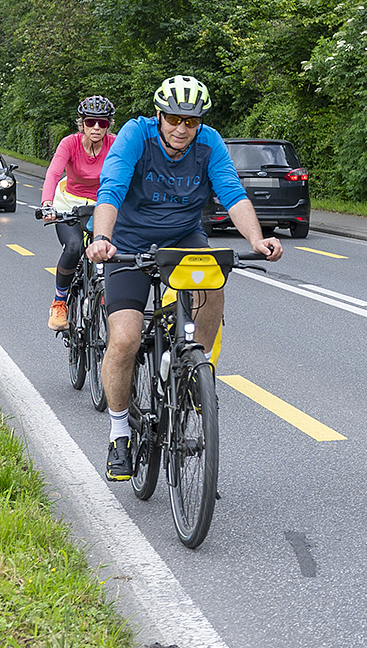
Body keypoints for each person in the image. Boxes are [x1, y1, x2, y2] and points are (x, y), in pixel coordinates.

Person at [85, 73, 281, 480]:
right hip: (128, 241)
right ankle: (119, 432)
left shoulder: (210, 143)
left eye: (190, 122)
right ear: (159, 115)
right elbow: (112, 188)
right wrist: (103, 237)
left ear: (200, 122)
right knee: (124, 338)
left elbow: (232, 193)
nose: (181, 128)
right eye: (173, 119)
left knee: (214, 282)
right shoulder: (136, 136)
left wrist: (259, 239)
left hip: (184, 239)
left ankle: (195, 371)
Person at [38, 95, 116, 331]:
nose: (96, 128)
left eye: (102, 123)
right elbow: (53, 173)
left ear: (108, 125)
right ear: (81, 123)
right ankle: (59, 302)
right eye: (90, 122)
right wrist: (47, 204)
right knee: (74, 247)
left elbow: (129, 173)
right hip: (69, 203)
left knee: (113, 251)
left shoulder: (115, 144)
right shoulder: (69, 143)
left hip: (103, 204)